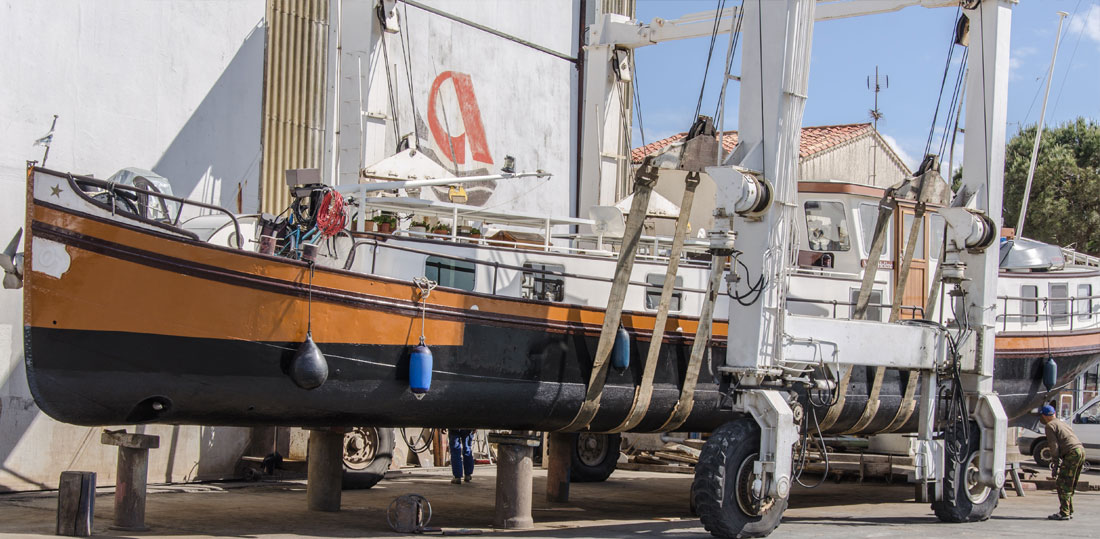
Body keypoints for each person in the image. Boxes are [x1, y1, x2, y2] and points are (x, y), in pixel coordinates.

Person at [1039, 404, 1085, 520]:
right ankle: (1069, 510)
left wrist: (1055, 463)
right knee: (1070, 483)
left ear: (1044, 416)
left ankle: (1064, 512)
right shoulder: (1061, 423)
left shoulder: (1050, 425)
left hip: (1072, 453)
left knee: (1062, 483)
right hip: (1080, 451)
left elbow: (1053, 446)